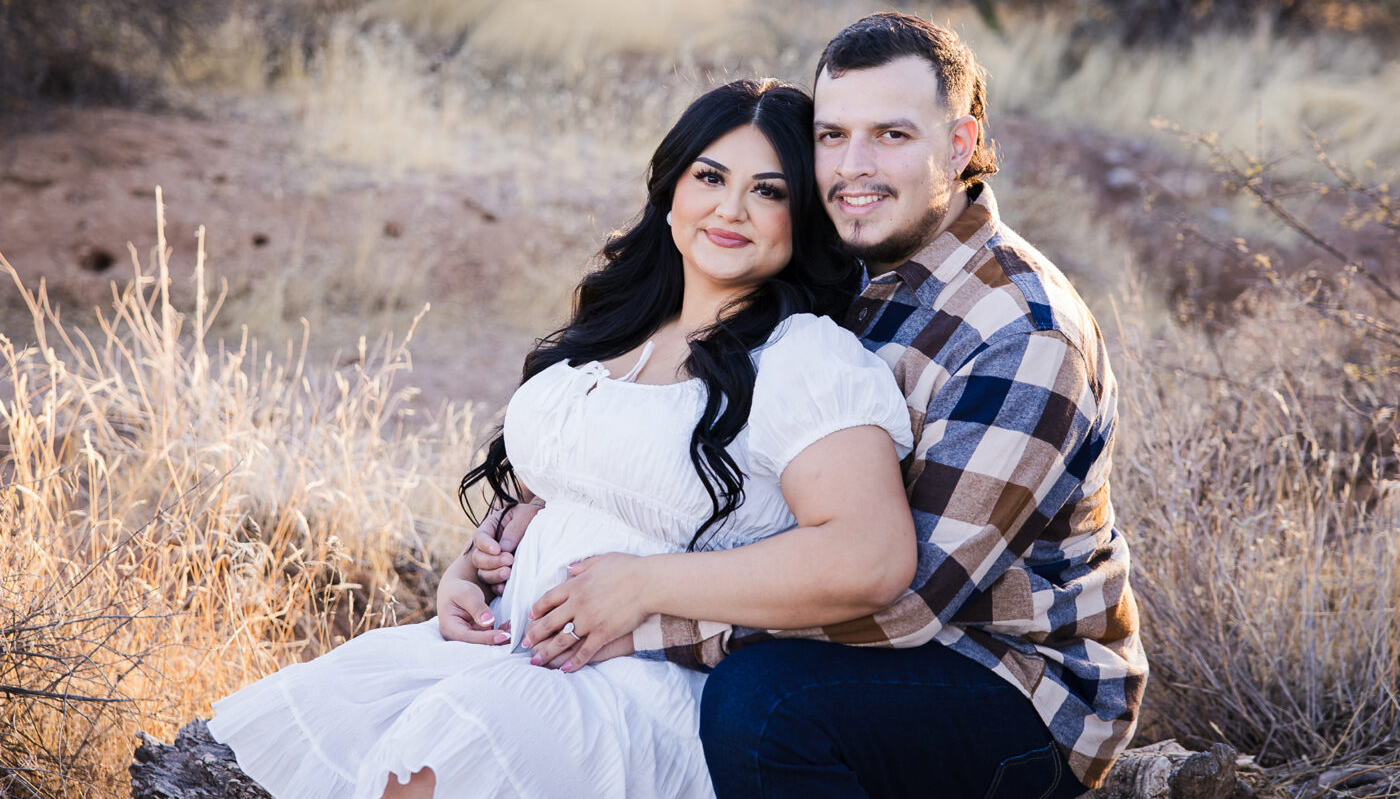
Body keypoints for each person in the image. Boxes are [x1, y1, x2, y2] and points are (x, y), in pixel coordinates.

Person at [204, 78, 919, 799]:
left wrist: (643, 586)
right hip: (505, 651)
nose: (731, 208)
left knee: (444, 752)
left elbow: (871, 555)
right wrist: (470, 572)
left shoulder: (804, 358)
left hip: (641, 689)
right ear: (671, 192)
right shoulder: (619, 327)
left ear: (801, 216)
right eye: (710, 177)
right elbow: (558, 492)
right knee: (322, 710)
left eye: (768, 190)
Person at [493, 13, 1148, 798]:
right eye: (832, 135)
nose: (852, 166)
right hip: (865, 631)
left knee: (766, 703)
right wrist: (521, 549)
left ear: (961, 143)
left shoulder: (1023, 334)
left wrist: (639, 607)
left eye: (891, 136)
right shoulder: (847, 259)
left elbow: (906, 604)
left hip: (1011, 684)